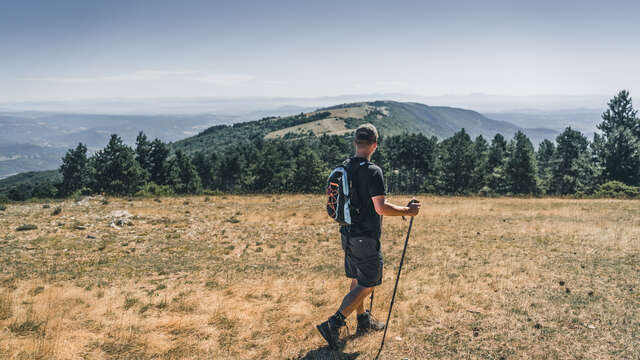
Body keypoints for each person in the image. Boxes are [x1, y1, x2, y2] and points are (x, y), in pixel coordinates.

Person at [316, 123, 421, 350]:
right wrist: (407, 211)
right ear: (374, 144)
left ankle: (363, 321)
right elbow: (380, 208)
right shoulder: (373, 171)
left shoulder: (344, 167)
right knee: (368, 282)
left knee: (357, 279)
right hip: (365, 236)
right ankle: (333, 323)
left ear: (355, 142)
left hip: (348, 233)